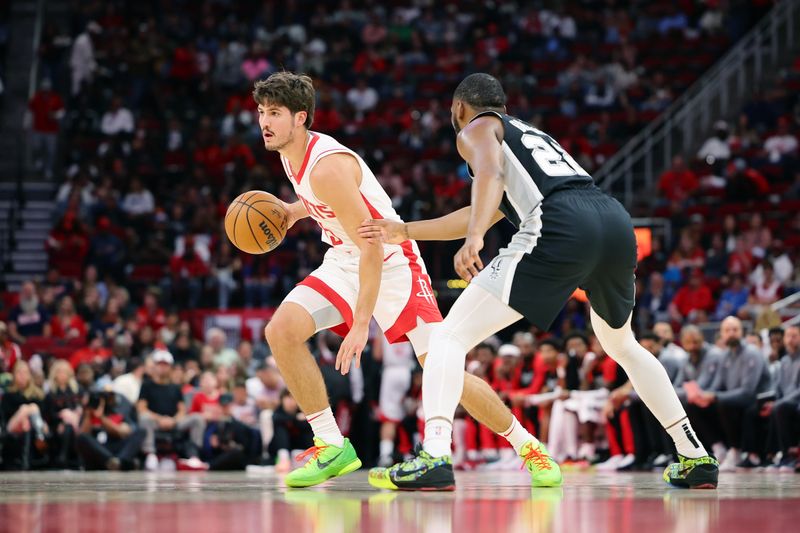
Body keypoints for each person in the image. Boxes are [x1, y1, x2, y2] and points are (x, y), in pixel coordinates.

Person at [360, 73, 718, 490]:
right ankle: (694, 455)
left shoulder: (475, 127)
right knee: (623, 345)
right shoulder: (528, 135)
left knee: (446, 339)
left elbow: (488, 180)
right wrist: (405, 230)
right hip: (613, 221)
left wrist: (475, 238)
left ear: (458, 109)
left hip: (560, 223)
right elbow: (486, 206)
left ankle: (435, 455)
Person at [255, 72, 550, 489]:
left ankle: (528, 447)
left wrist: (360, 324)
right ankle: (331, 443)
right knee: (281, 331)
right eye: (262, 112)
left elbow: (373, 245)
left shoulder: (327, 167)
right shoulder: (290, 153)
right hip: (344, 257)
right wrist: (292, 211)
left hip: (392, 262)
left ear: (300, 117)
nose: (264, 122)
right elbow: (332, 205)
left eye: (274, 114)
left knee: (441, 367)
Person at [136, 350, 206, 471]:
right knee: (144, 418)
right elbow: (141, 408)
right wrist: (160, 419)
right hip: (155, 422)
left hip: (174, 422)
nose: (162, 367)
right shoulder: (146, 385)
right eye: (159, 364)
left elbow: (182, 410)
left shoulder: (175, 387)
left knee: (197, 418)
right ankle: (150, 454)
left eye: (165, 364)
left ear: (170, 367)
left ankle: (193, 455)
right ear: (155, 366)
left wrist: (173, 421)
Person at [75, 390, 146, 470]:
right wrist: (88, 414)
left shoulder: (113, 413)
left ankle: (119, 461)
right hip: (97, 452)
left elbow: (121, 433)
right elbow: (83, 436)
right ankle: (116, 462)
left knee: (141, 431)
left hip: (113, 447)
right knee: (82, 437)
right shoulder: (87, 415)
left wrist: (101, 417)